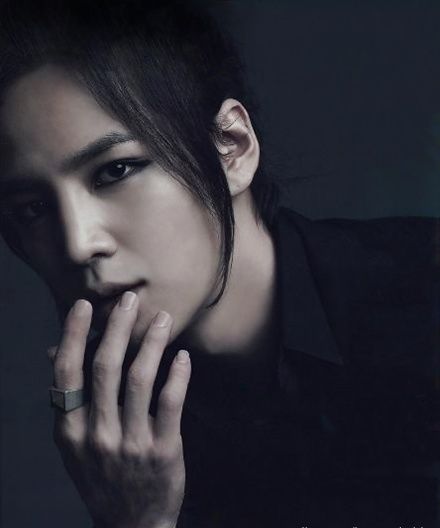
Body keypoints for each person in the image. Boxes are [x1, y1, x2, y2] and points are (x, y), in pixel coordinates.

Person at [0, 1, 438, 527]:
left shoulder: (422, 290)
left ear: (232, 147)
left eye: (116, 170)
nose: (76, 244)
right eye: (32, 208)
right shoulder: (121, 433)